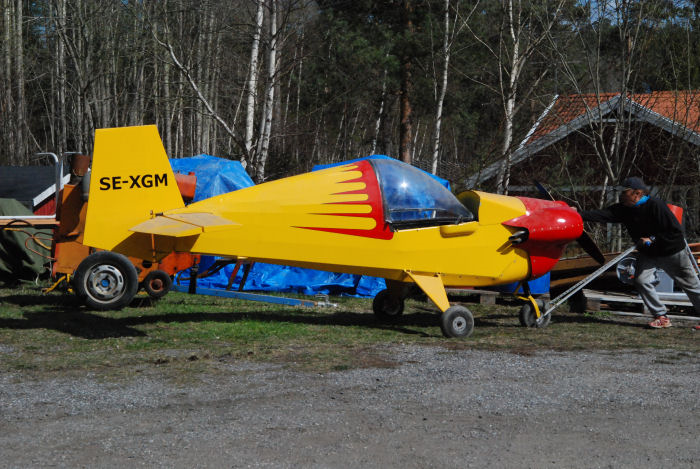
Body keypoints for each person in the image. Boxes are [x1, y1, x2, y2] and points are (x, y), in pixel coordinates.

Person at [580, 176, 700, 329]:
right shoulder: (624, 209)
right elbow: (602, 214)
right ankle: (661, 316)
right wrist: (578, 215)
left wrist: (651, 238)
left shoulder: (656, 205)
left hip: (672, 251)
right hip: (649, 253)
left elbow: (674, 231)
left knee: (691, 285)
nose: (621, 196)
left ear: (637, 193)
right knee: (641, 280)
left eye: (625, 192)